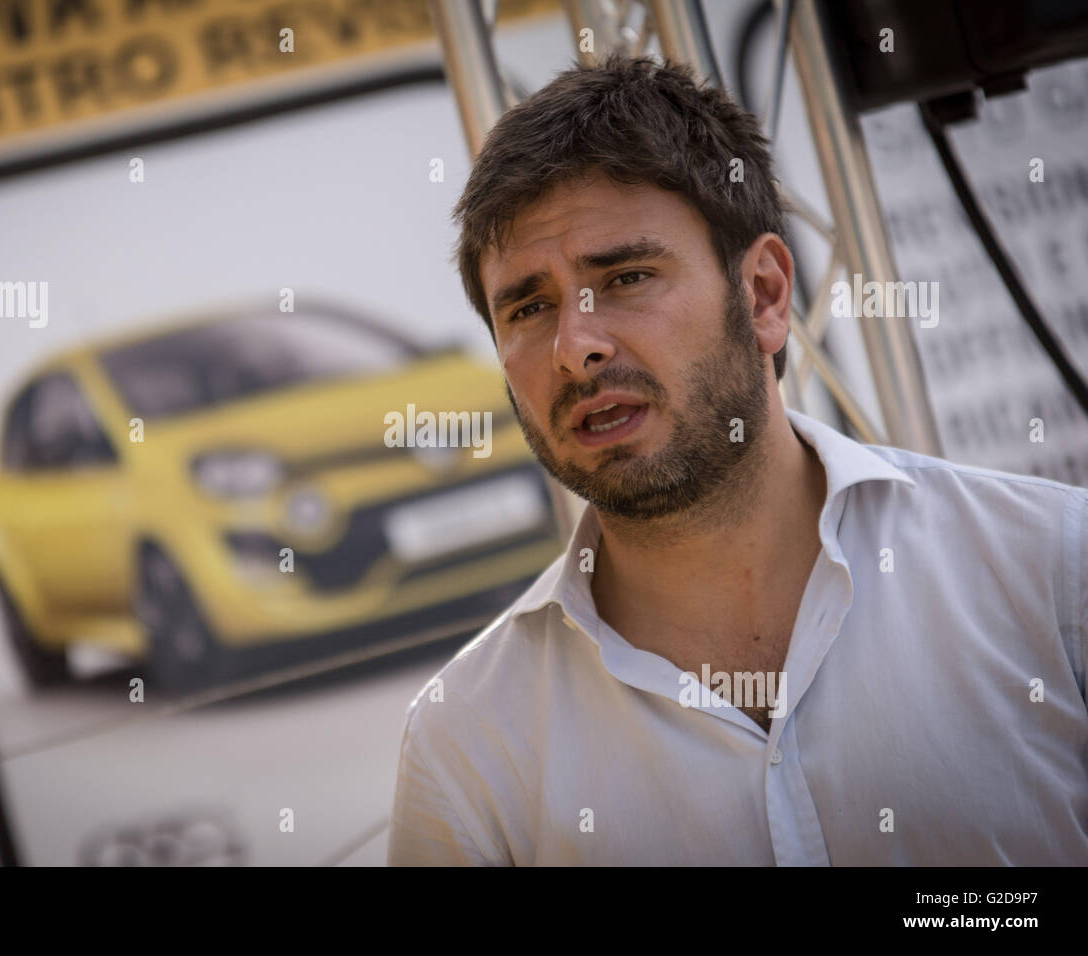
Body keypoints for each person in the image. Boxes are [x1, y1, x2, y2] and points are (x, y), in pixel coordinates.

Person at [385, 54, 1088, 865]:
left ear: (763, 294)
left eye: (625, 277)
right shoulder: (467, 744)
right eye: (531, 307)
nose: (576, 347)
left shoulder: (1050, 567)